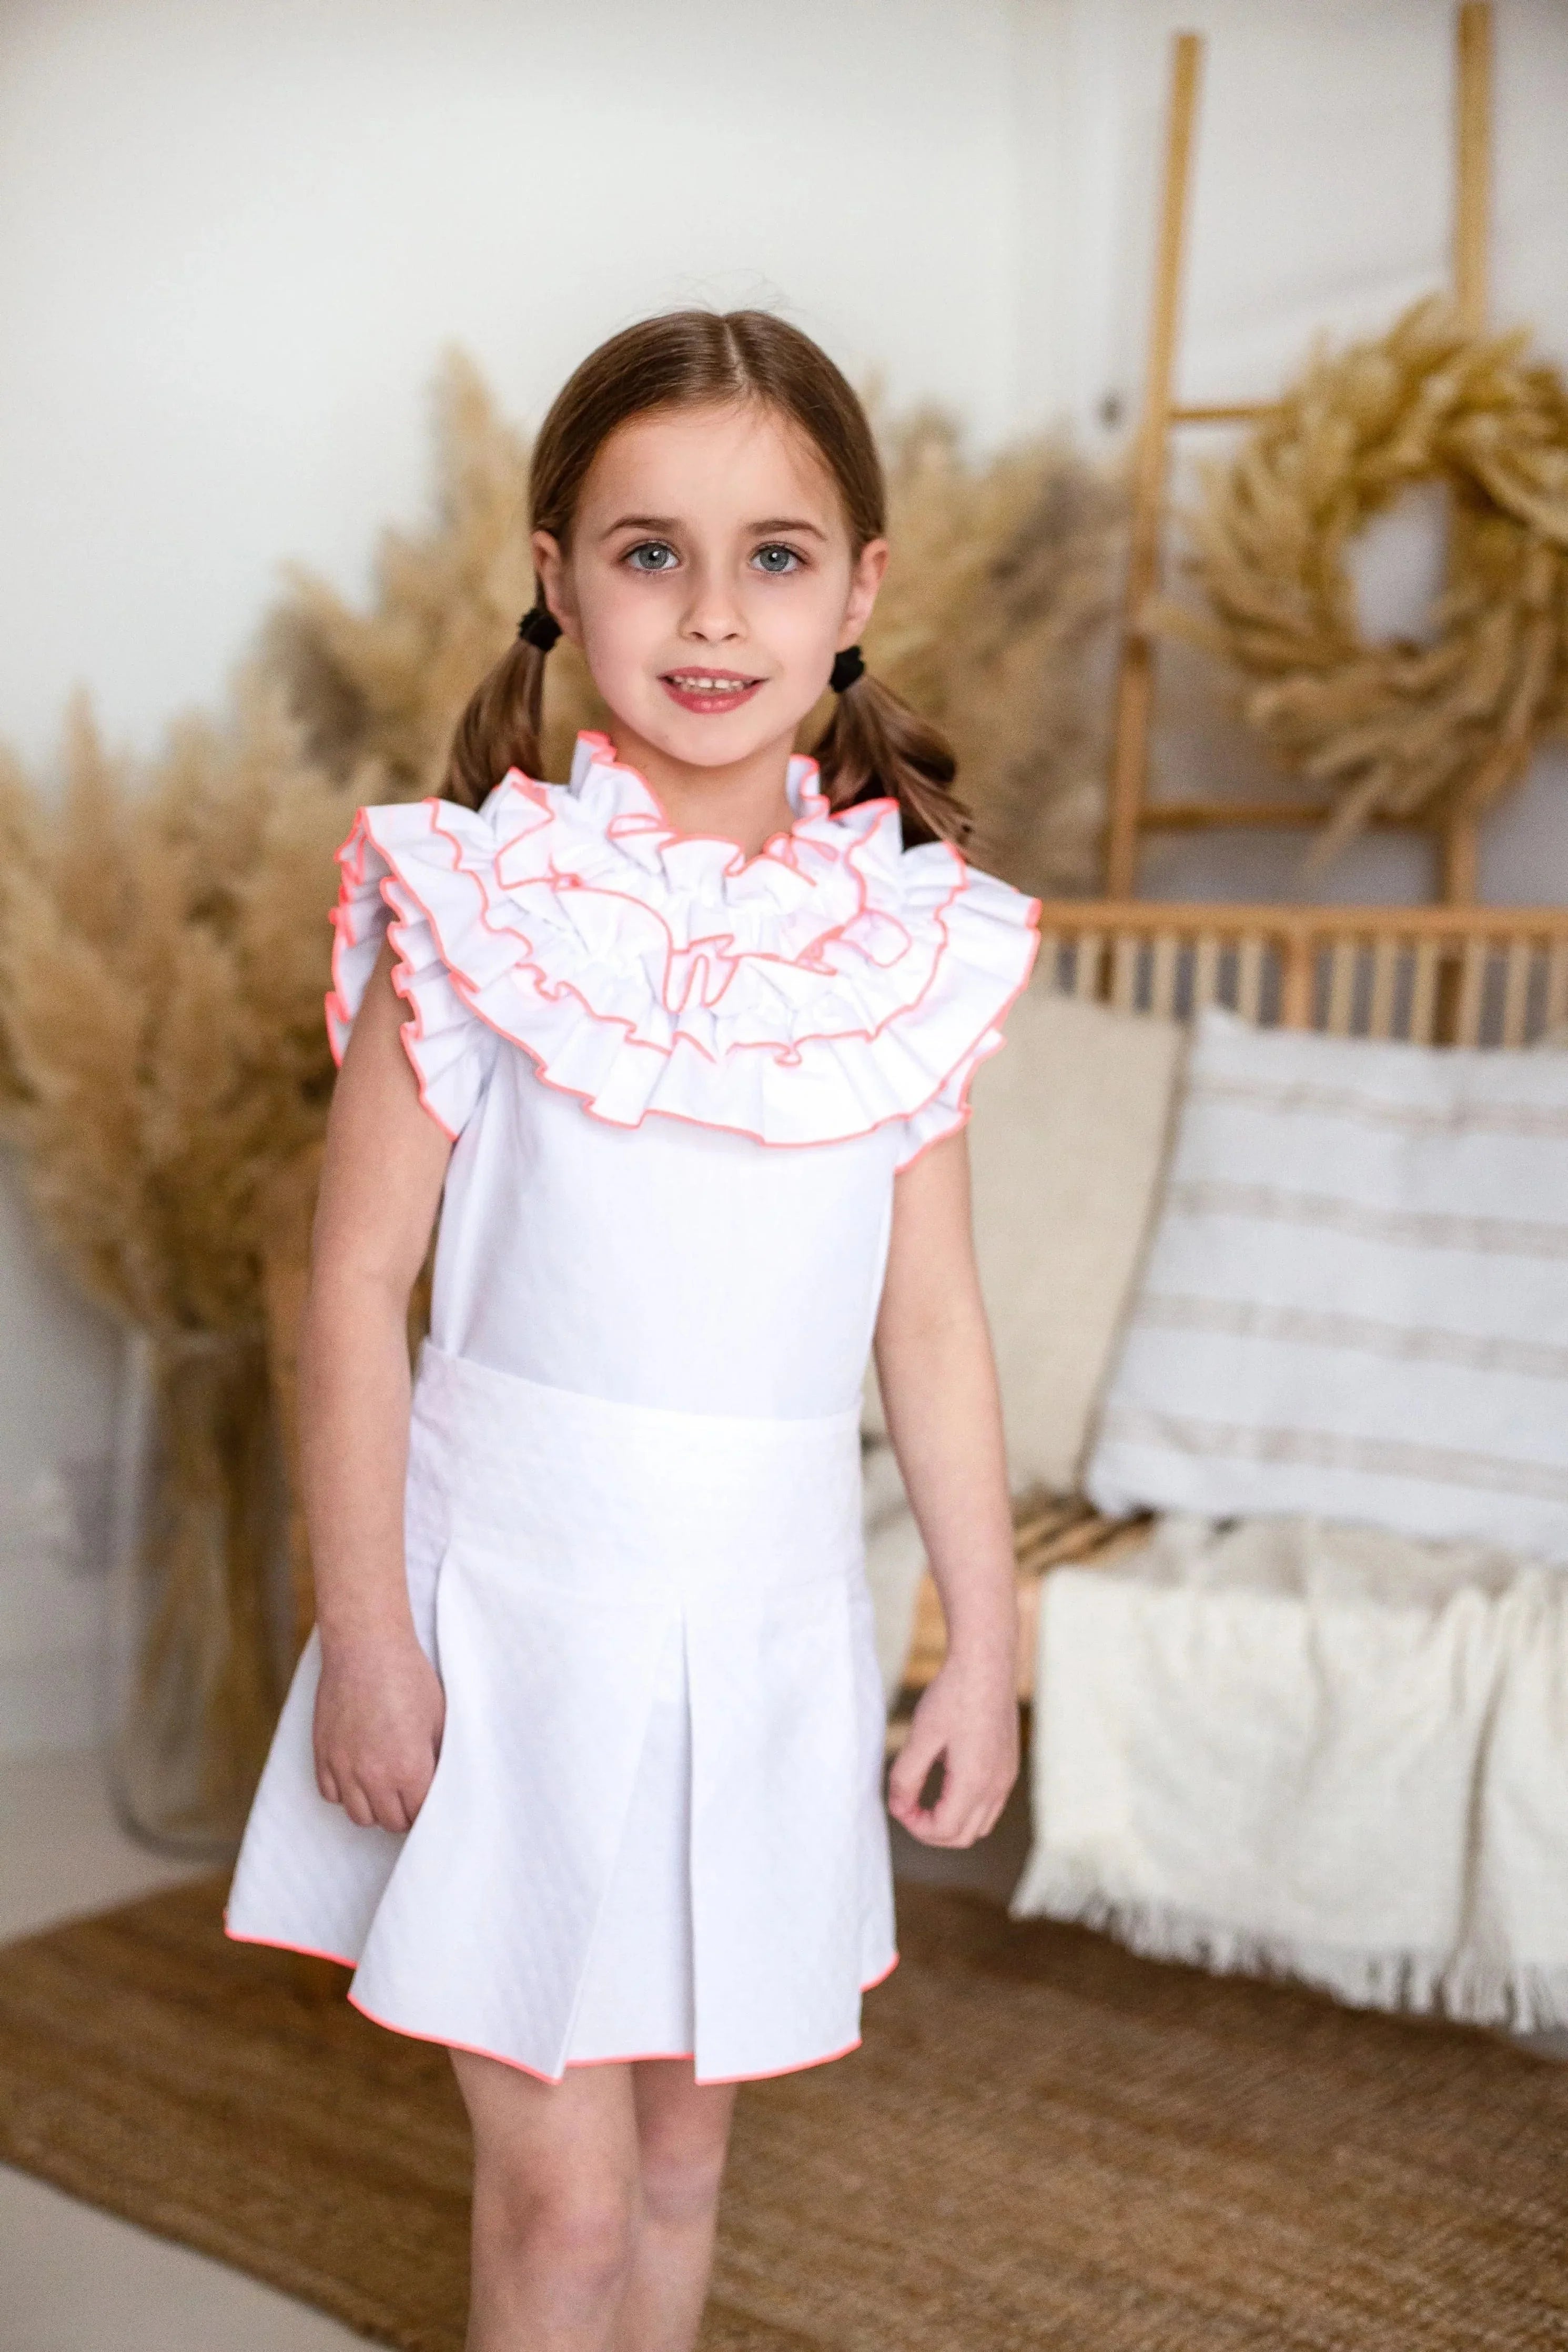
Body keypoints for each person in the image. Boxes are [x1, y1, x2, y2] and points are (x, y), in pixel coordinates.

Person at [226, 308, 1039, 2352]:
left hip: (760, 1626)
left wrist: (986, 1644)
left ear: (858, 587)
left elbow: (925, 1321)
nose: (707, 609)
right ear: (553, 567)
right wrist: (373, 1632)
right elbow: (346, 1283)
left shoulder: (904, 944)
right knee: (565, 2204)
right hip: (507, 1606)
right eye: (645, 546)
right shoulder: (482, 905)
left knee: (683, 2164)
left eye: (771, 553)